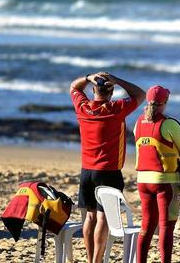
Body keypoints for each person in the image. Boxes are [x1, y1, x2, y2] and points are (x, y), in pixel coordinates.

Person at [69, 72, 145, 263]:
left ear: (94, 90)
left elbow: (73, 87)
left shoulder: (83, 107)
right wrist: (117, 79)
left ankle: (90, 259)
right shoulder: (116, 108)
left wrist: (88, 78)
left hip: (87, 171)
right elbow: (140, 95)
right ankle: (96, 261)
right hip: (109, 174)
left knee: (89, 218)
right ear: (111, 92)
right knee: (102, 219)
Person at [134, 85, 180, 263]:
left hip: (142, 181)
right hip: (165, 181)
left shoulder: (138, 122)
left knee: (146, 226)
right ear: (165, 102)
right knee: (166, 226)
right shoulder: (169, 124)